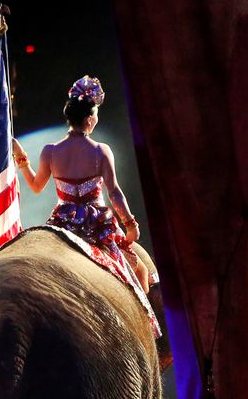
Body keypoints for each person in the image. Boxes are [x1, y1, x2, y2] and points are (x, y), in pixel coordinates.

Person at [10, 75, 160, 298]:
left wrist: (22, 159)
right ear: (89, 119)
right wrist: (130, 224)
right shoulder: (100, 150)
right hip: (96, 223)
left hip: (64, 221)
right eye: (96, 115)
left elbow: (35, 186)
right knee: (140, 271)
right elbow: (114, 192)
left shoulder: (50, 151)